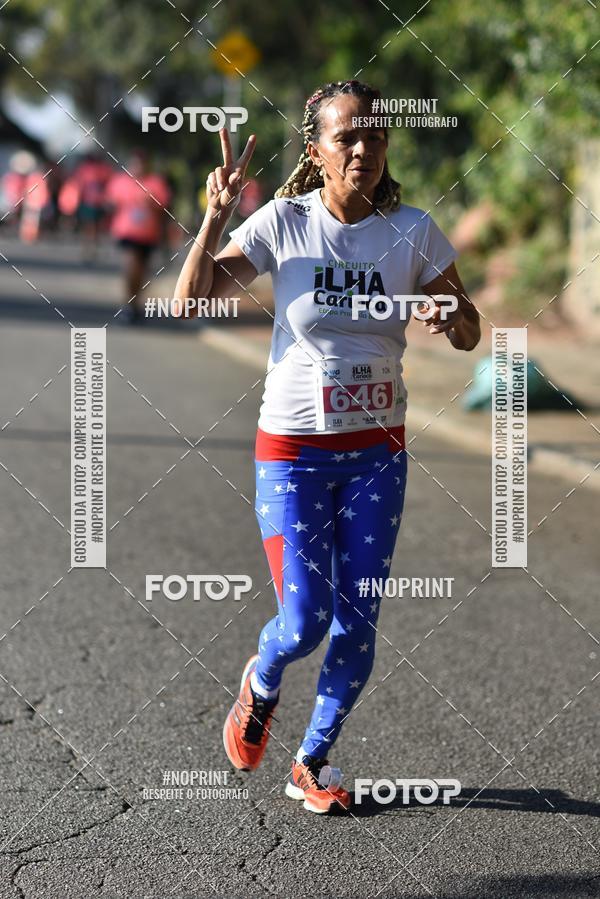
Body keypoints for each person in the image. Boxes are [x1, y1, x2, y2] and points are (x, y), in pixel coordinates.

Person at [172, 79, 480, 814]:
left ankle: (312, 760)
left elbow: (470, 332)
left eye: (375, 136)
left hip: (378, 454)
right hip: (293, 453)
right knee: (305, 617)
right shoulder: (284, 223)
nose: (365, 149)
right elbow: (190, 299)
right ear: (315, 150)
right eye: (348, 137)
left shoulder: (413, 230)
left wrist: (452, 312)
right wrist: (213, 220)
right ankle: (264, 678)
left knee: (359, 617)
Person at [106, 149, 171, 324]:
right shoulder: (121, 182)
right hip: (127, 232)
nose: (138, 168)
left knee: (142, 271)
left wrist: (151, 204)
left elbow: (164, 207)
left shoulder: (156, 183)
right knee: (131, 264)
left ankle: (135, 303)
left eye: (141, 164)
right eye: (135, 164)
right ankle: (129, 303)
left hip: (149, 234)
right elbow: (111, 202)